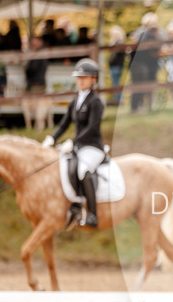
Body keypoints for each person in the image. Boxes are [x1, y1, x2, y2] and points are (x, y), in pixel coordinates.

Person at [43, 58, 105, 229]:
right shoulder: (75, 101)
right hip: (78, 147)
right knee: (62, 168)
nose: (80, 81)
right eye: (78, 78)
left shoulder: (96, 102)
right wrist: (51, 139)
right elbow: (64, 124)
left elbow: (92, 127)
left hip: (93, 147)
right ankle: (75, 206)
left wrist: (73, 141)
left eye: (83, 78)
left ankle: (92, 214)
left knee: (83, 170)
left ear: (93, 79)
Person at [129, 12, 161, 113]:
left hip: (140, 63)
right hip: (141, 63)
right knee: (140, 85)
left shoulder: (140, 33)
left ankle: (138, 107)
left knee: (139, 85)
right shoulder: (147, 34)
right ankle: (137, 107)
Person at [22, 35, 51, 132]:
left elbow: (33, 69)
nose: (33, 45)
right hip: (36, 83)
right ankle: (35, 128)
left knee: (39, 108)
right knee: (34, 107)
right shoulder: (39, 54)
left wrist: (27, 69)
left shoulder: (39, 55)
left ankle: (38, 129)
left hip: (36, 84)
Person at [107, 25, 128, 106]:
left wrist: (108, 61)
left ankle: (118, 101)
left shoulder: (116, 43)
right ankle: (119, 100)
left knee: (116, 84)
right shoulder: (122, 42)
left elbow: (113, 56)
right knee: (117, 83)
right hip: (120, 65)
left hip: (115, 65)